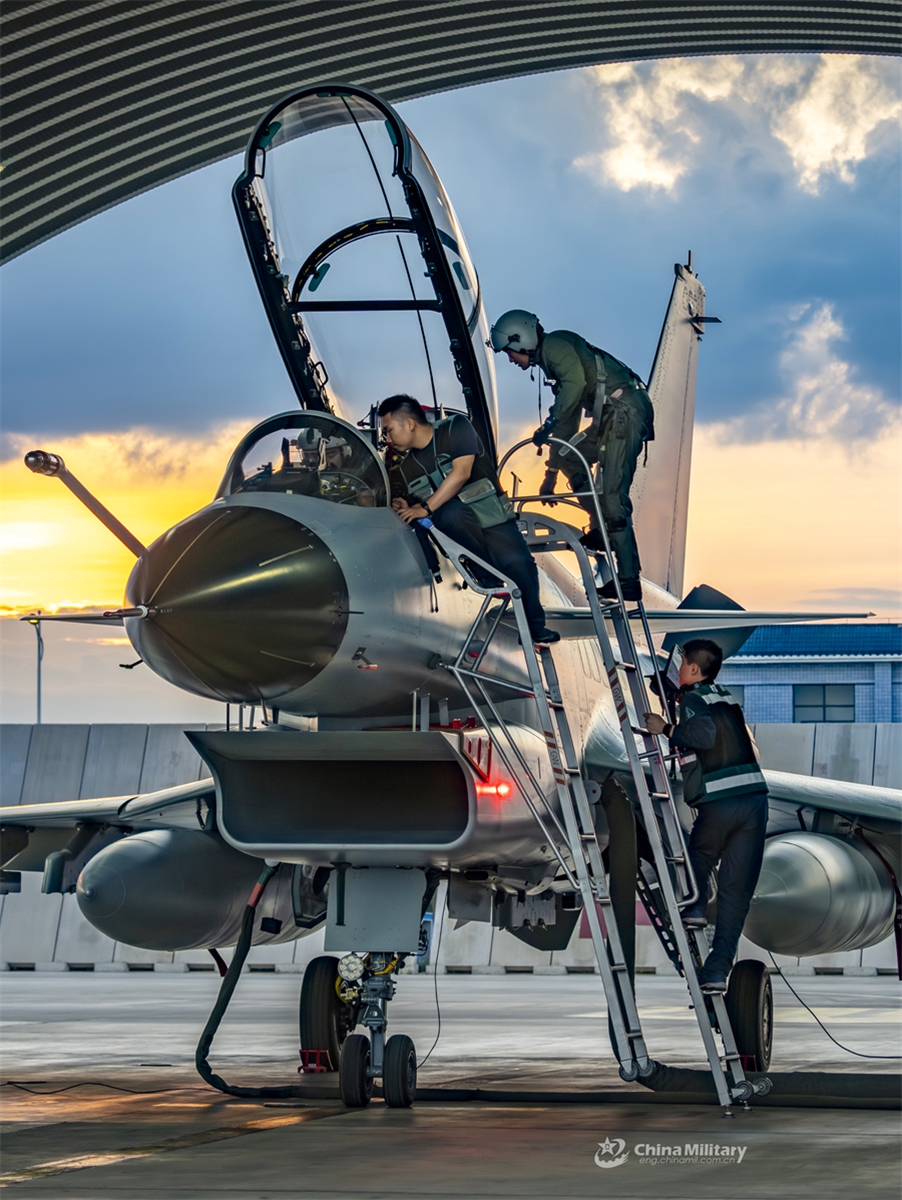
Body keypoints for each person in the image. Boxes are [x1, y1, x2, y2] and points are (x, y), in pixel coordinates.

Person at [489, 310, 654, 602]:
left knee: (613, 499)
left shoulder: (556, 346)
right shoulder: (554, 363)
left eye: (511, 353)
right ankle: (600, 525)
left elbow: (573, 391)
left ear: (522, 340)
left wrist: (549, 424)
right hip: (611, 417)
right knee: (569, 457)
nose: (512, 360)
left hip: (625, 414)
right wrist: (551, 474)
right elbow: (566, 423)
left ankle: (629, 580)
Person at [378, 394, 560, 645]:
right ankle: (485, 575)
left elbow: (461, 473)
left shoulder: (455, 427)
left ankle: (534, 628)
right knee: (449, 513)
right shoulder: (406, 467)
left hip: (492, 518)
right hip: (459, 529)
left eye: (389, 430)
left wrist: (424, 509)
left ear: (409, 423)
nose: (387, 439)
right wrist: (407, 505)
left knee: (520, 565)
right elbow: (417, 503)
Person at [644, 639, 768, 993]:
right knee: (735, 893)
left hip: (721, 799)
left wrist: (665, 728)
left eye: (682, 664)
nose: (679, 669)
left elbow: (704, 734)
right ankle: (716, 971)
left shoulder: (694, 701)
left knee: (699, 853)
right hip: (755, 801)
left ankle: (696, 906)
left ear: (694, 670)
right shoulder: (724, 697)